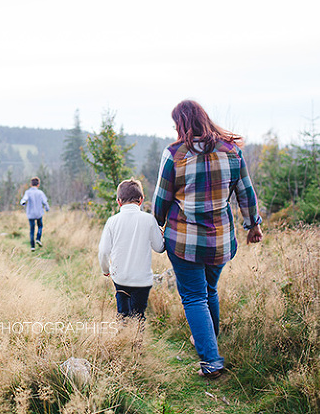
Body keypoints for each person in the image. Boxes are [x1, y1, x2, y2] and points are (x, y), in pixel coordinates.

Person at [153, 100, 263, 379]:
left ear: (181, 124)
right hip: (220, 242)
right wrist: (253, 226)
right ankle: (208, 340)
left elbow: (162, 199)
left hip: (184, 241)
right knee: (208, 291)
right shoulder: (232, 151)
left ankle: (211, 360)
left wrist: (156, 227)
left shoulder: (174, 154)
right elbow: (246, 193)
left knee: (193, 297)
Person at [98, 178, 165, 320]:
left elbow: (103, 251)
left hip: (120, 277)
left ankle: (123, 337)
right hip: (142, 278)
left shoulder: (112, 222)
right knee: (138, 314)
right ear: (141, 200)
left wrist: (106, 270)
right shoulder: (149, 220)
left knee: (123, 312)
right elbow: (159, 248)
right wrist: (161, 236)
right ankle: (137, 340)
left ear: (118, 201)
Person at [20, 177, 50, 251]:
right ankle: (38, 238)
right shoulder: (40, 192)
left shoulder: (28, 192)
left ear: (31, 184)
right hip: (39, 213)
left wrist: (23, 203)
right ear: (38, 185)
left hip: (30, 214)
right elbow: (45, 202)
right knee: (40, 226)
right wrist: (47, 208)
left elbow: (24, 199)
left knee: (32, 229)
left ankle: (32, 246)